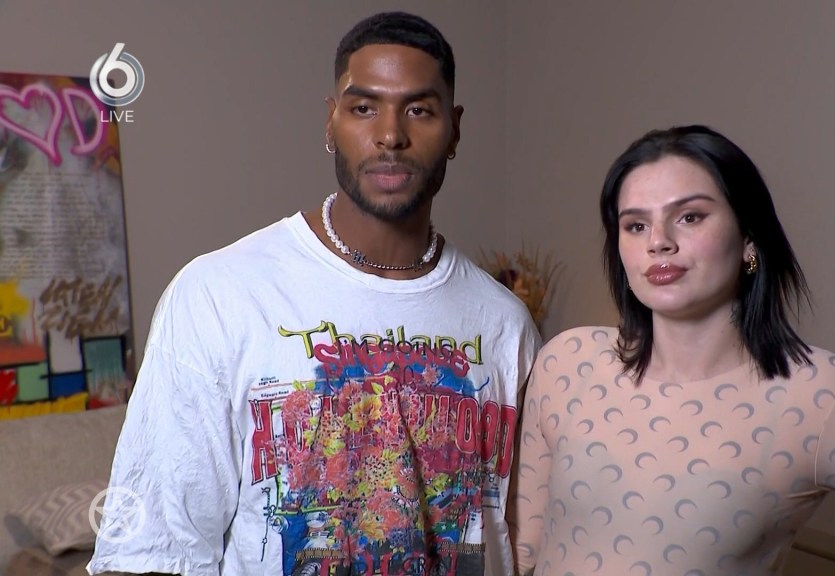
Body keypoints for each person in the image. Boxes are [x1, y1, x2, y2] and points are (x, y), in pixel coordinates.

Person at [88, 11, 539, 576]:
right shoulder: (219, 295)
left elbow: (525, 536)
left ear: (455, 130)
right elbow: (156, 550)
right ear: (331, 123)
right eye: (363, 107)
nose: (390, 135)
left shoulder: (505, 323)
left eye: (419, 110)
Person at [510, 125, 835, 575]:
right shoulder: (567, 362)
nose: (658, 242)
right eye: (636, 225)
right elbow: (520, 555)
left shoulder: (819, 395)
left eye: (690, 217)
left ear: (749, 237)